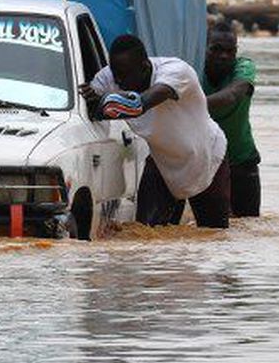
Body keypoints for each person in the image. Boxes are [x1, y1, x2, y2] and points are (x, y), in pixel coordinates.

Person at [81, 35, 230, 228]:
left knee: (214, 236)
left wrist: (101, 103)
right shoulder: (109, 77)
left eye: (124, 75)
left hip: (207, 159)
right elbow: (89, 108)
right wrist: (92, 100)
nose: (117, 80)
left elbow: (139, 105)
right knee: (145, 234)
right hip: (162, 162)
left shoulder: (176, 71)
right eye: (115, 73)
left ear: (144, 67)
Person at [202, 23, 260, 217]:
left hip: (241, 161)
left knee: (248, 227)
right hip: (203, 163)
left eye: (230, 51)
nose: (224, 56)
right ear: (203, 47)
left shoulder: (244, 67)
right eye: (216, 49)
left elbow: (233, 95)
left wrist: (192, 105)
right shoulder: (192, 70)